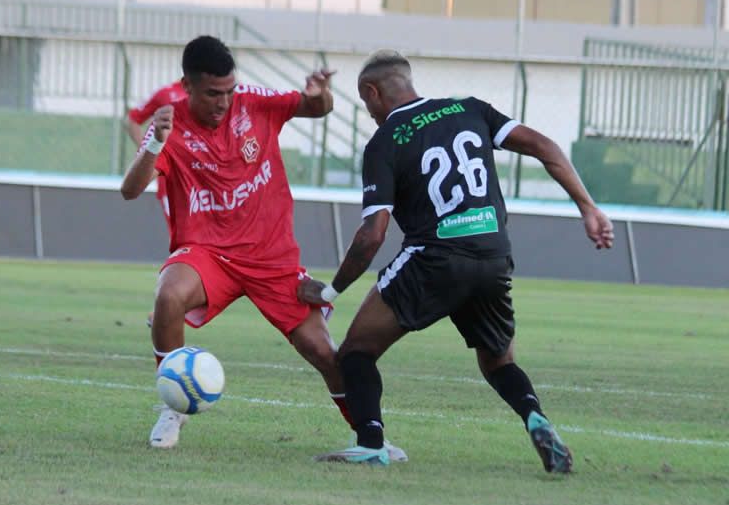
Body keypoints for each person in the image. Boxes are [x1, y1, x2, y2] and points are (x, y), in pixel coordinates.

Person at [298, 50, 615, 471]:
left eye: (366, 102)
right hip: (492, 254)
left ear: (372, 93)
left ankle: (371, 442)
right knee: (498, 361)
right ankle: (533, 416)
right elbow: (544, 146)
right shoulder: (470, 110)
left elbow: (373, 234)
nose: (369, 112)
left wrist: (330, 289)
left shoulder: (384, 142)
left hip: (435, 258)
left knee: (356, 351)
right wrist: (589, 208)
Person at [120, 36, 407, 459]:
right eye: (213, 93)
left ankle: (370, 438)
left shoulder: (254, 102)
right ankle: (172, 405)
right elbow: (130, 190)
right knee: (168, 295)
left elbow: (317, 109)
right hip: (209, 253)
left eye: (229, 90)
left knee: (323, 352)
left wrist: (320, 94)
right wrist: (157, 143)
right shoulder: (168, 125)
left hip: (272, 258)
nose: (224, 101)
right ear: (187, 86)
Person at [124, 81, 188, 327]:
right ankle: (167, 308)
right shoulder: (166, 95)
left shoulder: (216, 98)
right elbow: (132, 119)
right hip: (172, 185)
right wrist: (149, 153)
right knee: (183, 241)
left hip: (204, 183)